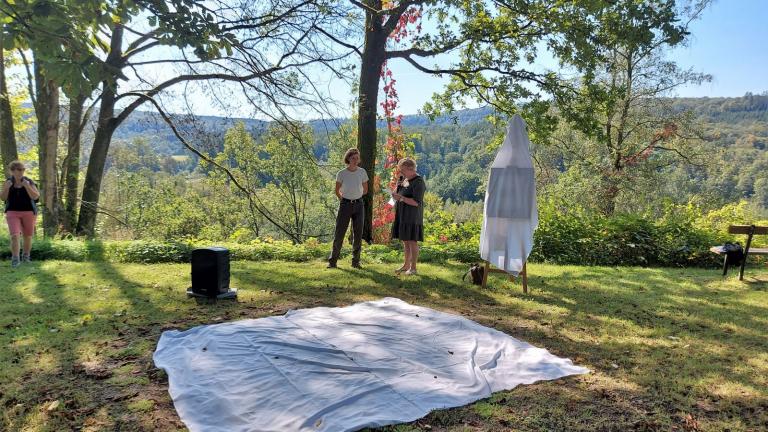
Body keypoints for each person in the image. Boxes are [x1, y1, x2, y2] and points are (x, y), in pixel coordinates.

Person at [328, 148, 368, 269]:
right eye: (353, 158)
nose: (355, 160)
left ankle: (355, 262)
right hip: (345, 205)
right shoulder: (341, 173)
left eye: (357, 158)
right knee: (339, 233)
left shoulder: (362, 172)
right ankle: (332, 262)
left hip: (359, 205)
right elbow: (337, 190)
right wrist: (344, 201)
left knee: (358, 234)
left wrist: (356, 197)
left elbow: (365, 190)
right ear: (348, 159)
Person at [1, 161, 40, 268]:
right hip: (12, 212)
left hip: (29, 212)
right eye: (19, 169)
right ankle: (15, 259)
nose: (21, 171)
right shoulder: (7, 182)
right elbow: (3, 198)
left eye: (23, 169)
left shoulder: (29, 181)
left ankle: (26, 257)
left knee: (27, 236)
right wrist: (7, 188)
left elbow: (36, 197)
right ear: (12, 171)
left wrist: (27, 186)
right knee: (14, 235)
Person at [391, 158, 425, 275]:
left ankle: (413, 268)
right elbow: (397, 193)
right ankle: (406, 265)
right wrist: (398, 185)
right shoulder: (406, 180)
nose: (401, 172)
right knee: (405, 241)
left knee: (412, 241)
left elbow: (416, 202)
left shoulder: (418, 182)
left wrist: (401, 198)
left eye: (403, 170)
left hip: (412, 216)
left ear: (410, 169)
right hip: (403, 214)